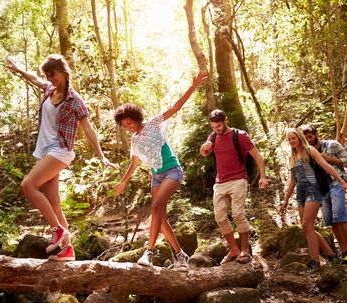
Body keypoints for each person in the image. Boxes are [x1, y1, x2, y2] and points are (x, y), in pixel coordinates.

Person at [6, 54, 118, 261]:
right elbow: (34, 79)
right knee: (54, 202)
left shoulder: (75, 100)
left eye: (53, 74)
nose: (50, 78)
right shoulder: (49, 89)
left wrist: (101, 155)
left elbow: (88, 129)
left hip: (61, 150)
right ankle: (68, 250)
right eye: (48, 75)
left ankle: (56, 230)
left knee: (28, 186)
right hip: (47, 151)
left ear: (63, 72)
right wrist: (19, 70)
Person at [113, 71, 208, 270]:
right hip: (156, 176)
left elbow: (176, 107)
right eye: (124, 126)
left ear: (135, 117)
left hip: (172, 171)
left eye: (129, 123)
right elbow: (134, 163)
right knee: (160, 218)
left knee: (155, 208)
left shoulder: (154, 123)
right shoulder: (134, 140)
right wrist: (123, 181)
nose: (128, 127)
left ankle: (149, 252)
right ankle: (180, 255)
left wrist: (193, 86)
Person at [200, 109, 268, 265]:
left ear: (225, 120)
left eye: (218, 125)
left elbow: (257, 155)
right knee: (219, 216)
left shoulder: (240, 136)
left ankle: (244, 250)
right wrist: (204, 147)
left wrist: (263, 177)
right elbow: (203, 153)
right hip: (220, 182)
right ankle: (233, 249)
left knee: (237, 214)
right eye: (213, 127)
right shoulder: (213, 137)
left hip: (239, 179)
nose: (216, 129)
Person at [279, 128, 347, 271]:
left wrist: (341, 181)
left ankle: (315, 261)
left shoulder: (309, 150)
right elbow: (293, 181)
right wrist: (285, 200)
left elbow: (326, 166)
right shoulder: (292, 157)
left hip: (313, 190)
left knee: (306, 224)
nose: (291, 141)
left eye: (294, 138)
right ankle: (331, 255)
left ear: (299, 138)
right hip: (300, 194)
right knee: (307, 227)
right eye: (289, 139)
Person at [301, 124, 347, 263]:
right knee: (331, 220)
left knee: (339, 215)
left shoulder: (332, 144)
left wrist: (327, 158)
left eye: (310, 136)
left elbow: (345, 160)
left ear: (315, 134)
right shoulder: (307, 153)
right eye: (306, 138)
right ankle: (344, 251)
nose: (309, 140)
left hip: (335, 183)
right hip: (322, 189)